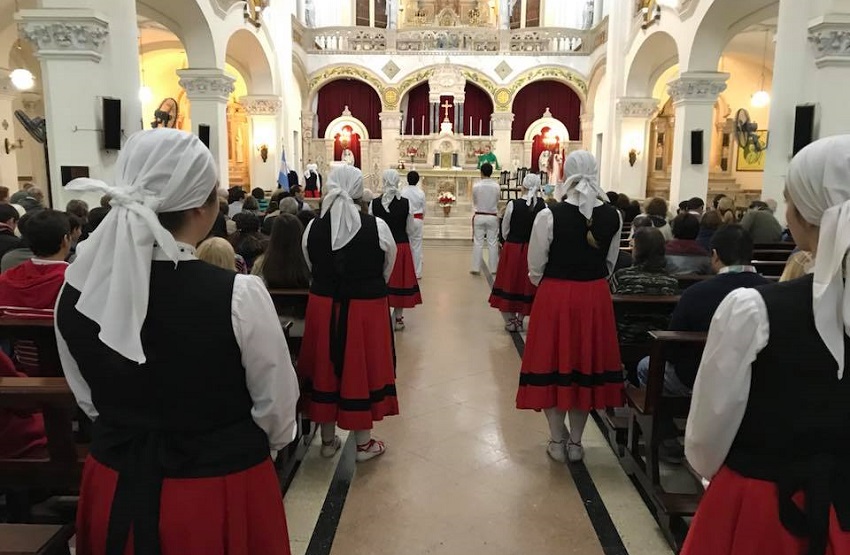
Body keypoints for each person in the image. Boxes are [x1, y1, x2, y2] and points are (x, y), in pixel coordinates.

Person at [55, 128, 299, 555]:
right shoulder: (238, 294)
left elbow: (89, 398)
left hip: (117, 477)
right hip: (219, 486)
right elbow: (276, 407)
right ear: (205, 208)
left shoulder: (75, 290)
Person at [681, 135, 850, 555]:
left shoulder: (754, 310)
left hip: (767, 511)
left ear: (811, 217)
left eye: (790, 200)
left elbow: (707, 435)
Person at [519, 150, 623, 464]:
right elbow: (610, 262)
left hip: (555, 295)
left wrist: (552, 286)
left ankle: (556, 439)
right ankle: (576, 442)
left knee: (553, 366)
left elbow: (535, 266)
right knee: (585, 367)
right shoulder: (614, 215)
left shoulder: (549, 215)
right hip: (594, 296)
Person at [299, 164, 399, 463]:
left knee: (325, 367)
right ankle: (363, 443)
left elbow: (310, 263)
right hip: (365, 308)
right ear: (358, 191)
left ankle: (328, 441)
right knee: (361, 367)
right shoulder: (376, 226)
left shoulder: (313, 227)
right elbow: (387, 266)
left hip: (324, 305)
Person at [639, 225, 770, 396]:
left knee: (645, 366)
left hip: (696, 378)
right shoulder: (772, 291)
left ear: (715, 256)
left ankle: (662, 418)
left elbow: (671, 349)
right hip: (753, 380)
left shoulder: (695, 293)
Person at [488, 173, 545, 332]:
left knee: (509, 281)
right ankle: (520, 319)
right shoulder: (543, 206)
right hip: (533, 248)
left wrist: (508, 240)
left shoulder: (513, 204)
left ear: (523, 187)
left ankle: (510, 320)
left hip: (513, 248)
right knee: (527, 284)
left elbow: (505, 229)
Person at [370, 169, 422, 330]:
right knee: (399, 282)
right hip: (400, 245)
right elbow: (411, 228)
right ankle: (398, 318)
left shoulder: (375, 203)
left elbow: (371, 224)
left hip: (380, 246)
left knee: (381, 280)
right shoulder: (406, 203)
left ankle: (381, 316)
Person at [610, 227, 679, 345]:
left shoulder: (621, 277)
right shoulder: (671, 281)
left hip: (624, 339)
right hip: (657, 342)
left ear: (637, 250)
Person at [471, 162, 501, 274]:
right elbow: (497, 200)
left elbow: (475, 201)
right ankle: (493, 268)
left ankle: (475, 267)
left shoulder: (476, 186)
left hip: (479, 214)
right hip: (492, 215)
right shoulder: (496, 186)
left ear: (481, 172)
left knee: (478, 242)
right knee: (492, 242)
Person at [401, 170, 426, 279]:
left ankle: (406, 270)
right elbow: (424, 209)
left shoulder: (403, 191)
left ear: (407, 179)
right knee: (417, 246)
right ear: (417, 180)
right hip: (418, 219)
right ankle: (417, 273)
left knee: (407, 244)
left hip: (406, 219)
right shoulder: (421, 192)